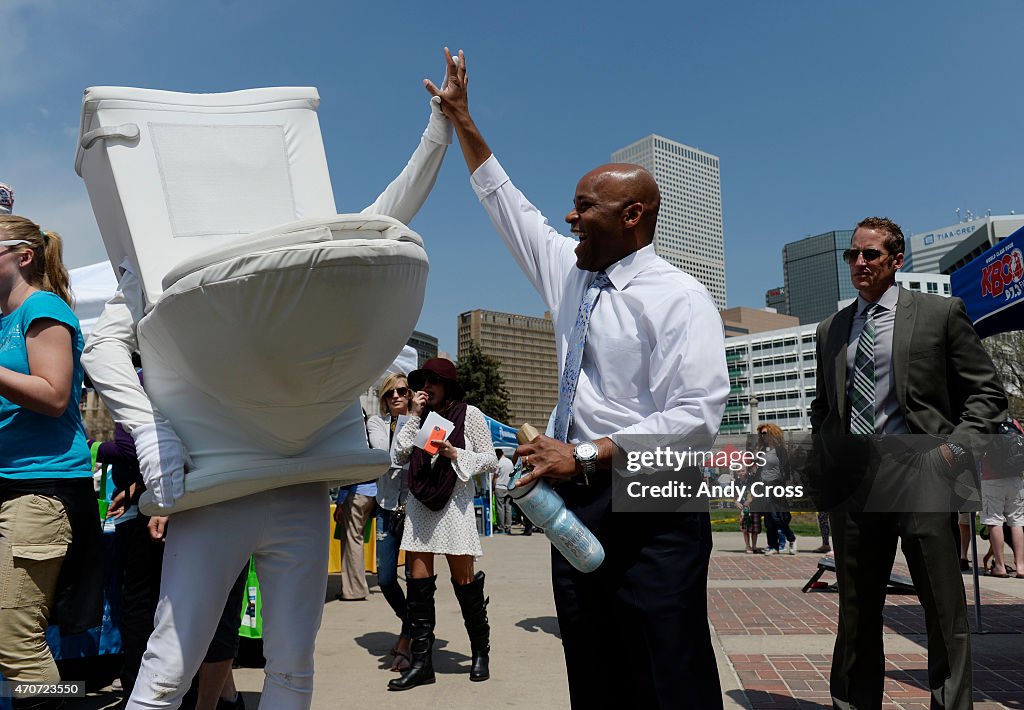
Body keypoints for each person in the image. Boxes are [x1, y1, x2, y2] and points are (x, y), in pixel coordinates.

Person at [81, 82, 454, 710]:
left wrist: (437, 134)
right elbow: (100, 346)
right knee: (170, 665)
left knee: (292, 664)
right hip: (216, 490)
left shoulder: (298, 249)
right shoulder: (157, 263)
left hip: (297, 482)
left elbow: (383, 224)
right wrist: (151, 431)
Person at [427, 48, 729, 707]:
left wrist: (586, 452)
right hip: (574, 503)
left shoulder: (679, 298)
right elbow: (512, 210)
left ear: (634, 217)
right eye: (571, 206)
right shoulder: (572, 274)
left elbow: (697, 415)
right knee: (593, 669)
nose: (570, 218)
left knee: (668, 672)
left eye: (585, 207)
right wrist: (463, 122)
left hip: (654, 503)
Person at [808, 216, 1008, 710]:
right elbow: (823, 406)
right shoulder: (831, 328)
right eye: (852, 255)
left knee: (942, 608)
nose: (859, 263)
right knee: (855, 611)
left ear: (897, 259)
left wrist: (954, 450)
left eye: (870, 254)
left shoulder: (940, 313)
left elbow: (986, 394)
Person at [0, 215, 103, 709]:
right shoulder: (4, 319)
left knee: (18, 641)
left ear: (23, 256)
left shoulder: (42, 308)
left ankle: (61, 703)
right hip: (14, 488)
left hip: (40, 492)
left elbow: (54, 394)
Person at [388, 358, 497, 691]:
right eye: (422, 383)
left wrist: (455, 454)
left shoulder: (470, 414)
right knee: (417, 585)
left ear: (447, 385)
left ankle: (480, 652)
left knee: (464, 582)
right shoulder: (421, 418)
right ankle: (422, 663)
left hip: (454, 506)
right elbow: (398, 456)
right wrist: (413, 417)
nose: (426, 389)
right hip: (421, 505)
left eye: (432, 382)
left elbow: (490, 459)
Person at [366, 372, 413, 671]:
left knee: (417, 580)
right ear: (383, 398)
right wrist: (411, 425)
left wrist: (414, 421)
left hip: (414, 510)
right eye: (390, 393)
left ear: (410, 394)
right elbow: (388, 457)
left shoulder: (423, 421)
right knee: (384, 578)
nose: (396, 396)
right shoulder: (376, 422)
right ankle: (413, 625)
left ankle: (408, 639)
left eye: (402, 391)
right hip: (385, 508)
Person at [754, 423, 797, 556]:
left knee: (775, 516)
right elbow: (759, 469)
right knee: (768, 519)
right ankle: (773, 546)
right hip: (763, 486)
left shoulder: (780, 450)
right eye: (762, 433)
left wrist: (788, 486)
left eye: (765, 433)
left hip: (776, 485)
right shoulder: (762, 450)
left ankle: (791, 539)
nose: (763, 435)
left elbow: (786, 468)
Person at [334, 477, 376, 600]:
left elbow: (349, 475)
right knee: (355, 539)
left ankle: (355, 590)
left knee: (352, 541)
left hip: (356, 494)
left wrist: (340, 501)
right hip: (371, 492)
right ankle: (353, 588)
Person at [493, 449, 513, 534]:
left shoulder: (499, 463)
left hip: (500, 487)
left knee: (500, 508)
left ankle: (501, 527)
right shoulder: (510, 462)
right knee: (508, 508)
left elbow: (495, 477)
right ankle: (508, 527)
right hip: (508, 487)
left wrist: (493, 488)